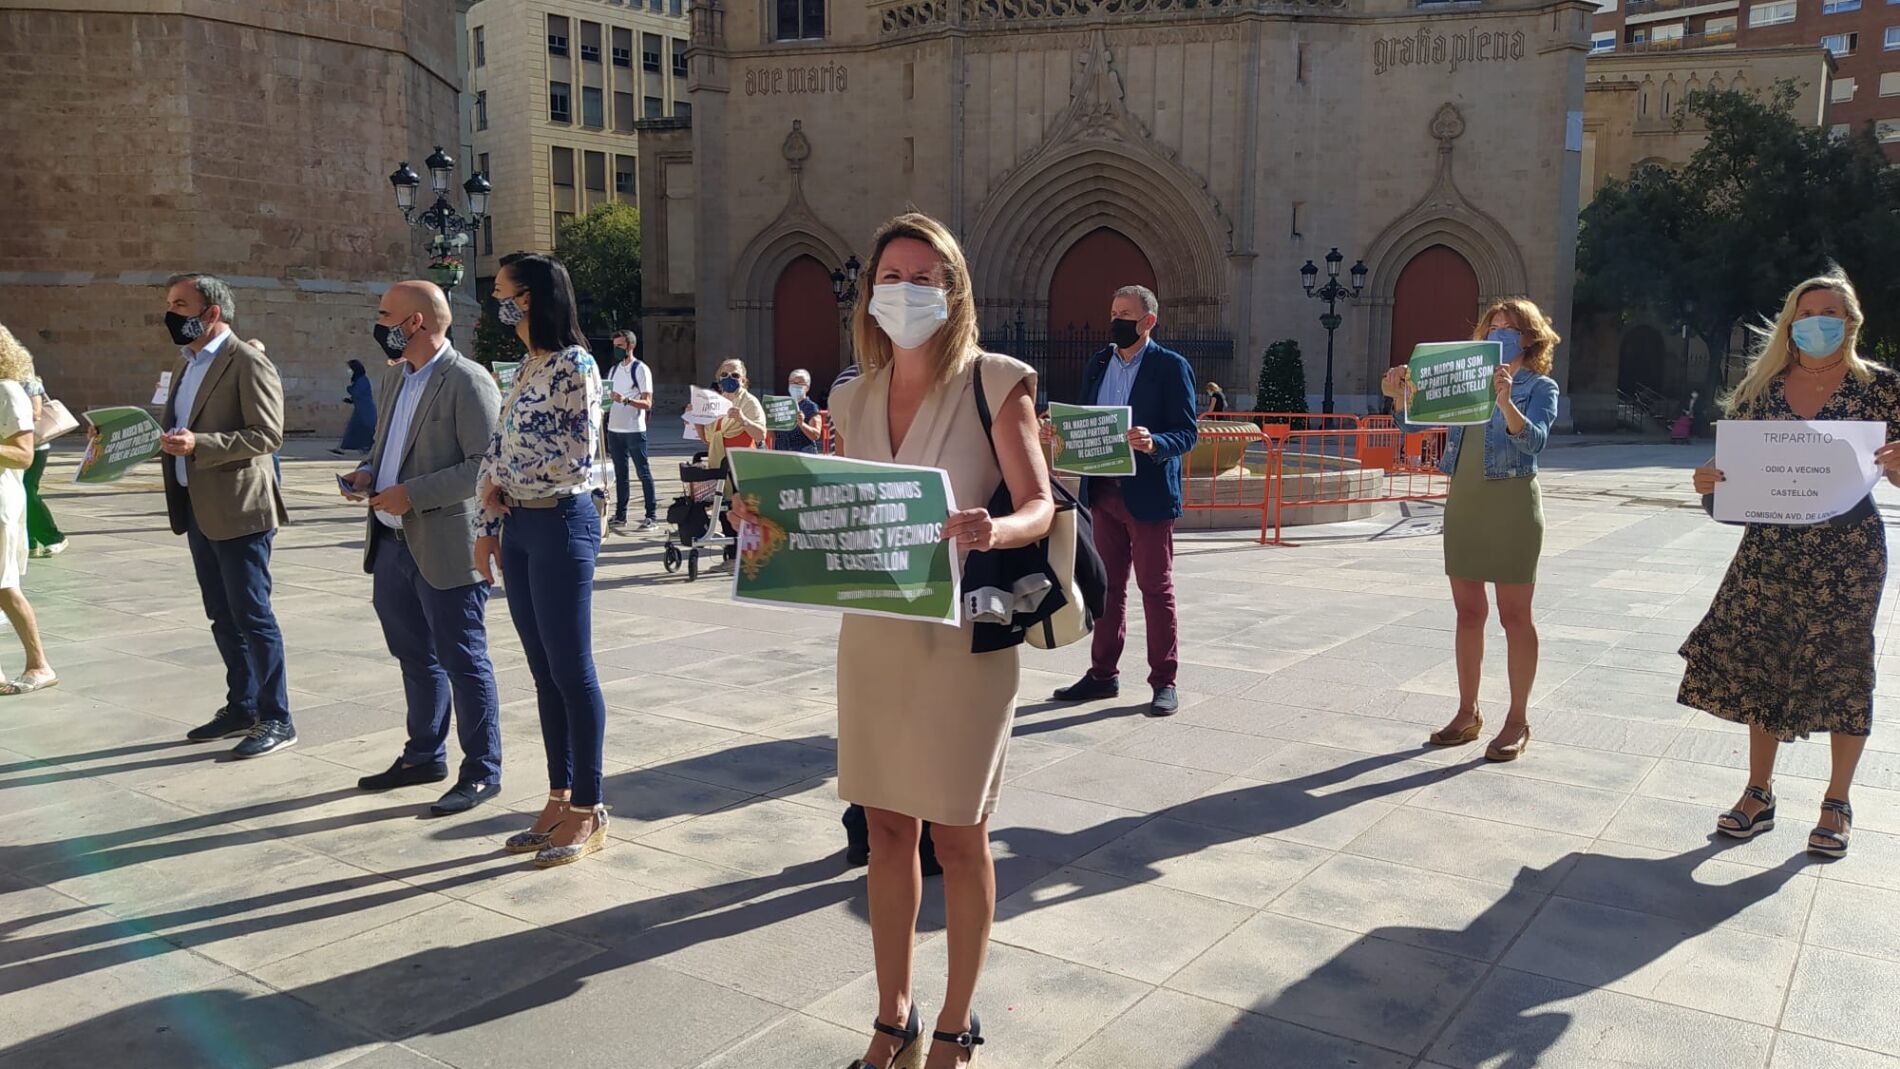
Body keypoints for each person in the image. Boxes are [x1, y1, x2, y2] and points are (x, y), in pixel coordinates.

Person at [751, 212, 1052, 1068]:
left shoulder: (997, 381)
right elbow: (839, 509)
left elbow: (1041, 503)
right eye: (892, 276)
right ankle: (894, 1017)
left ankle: (955, 1022)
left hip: (962, 641)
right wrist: (763, 519)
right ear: (870, 291)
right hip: (875, 636)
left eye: (925, 277)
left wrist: (994, 528)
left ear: (954, 290)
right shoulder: (849, 396)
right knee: (885, 828)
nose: (906, 290)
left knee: (958, 834)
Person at [1684, 273, 1896, 859]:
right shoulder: (1762, 388)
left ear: (1850, 322)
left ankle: (1837, 802)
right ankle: (1759, 792)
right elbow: (1734, 476)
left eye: (1829, 312)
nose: (1816, 322)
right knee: (1764, 661)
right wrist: (1710, 482)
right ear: (1789, 323)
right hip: (1771, 548)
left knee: (1844, 667)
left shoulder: (1883, 389)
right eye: (1805, 313)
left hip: (1848, 552)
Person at [343, 281, 506, 816]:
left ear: (415, 322)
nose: (378, 323)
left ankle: (481, 771)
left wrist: (411, 493)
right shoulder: (396, 378)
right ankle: (423, 755)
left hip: (445, 545)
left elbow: (484, 466)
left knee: (463, 660)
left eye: (385, 314)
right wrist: (366, 473)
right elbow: (383, 447)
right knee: (414, 656)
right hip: (391, 543)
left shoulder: (468, 380)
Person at [1380, 298, 1560, 761]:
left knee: (1515, 616)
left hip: (1513, 505)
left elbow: (1535, 441)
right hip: (1465, 502)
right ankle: (1467, 712)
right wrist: (1399, 394)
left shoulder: (1541, 387)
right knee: (1468, 613)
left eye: (1509, 328)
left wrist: (1505, 400)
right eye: (1492, 326)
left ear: (1529, 338)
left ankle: (1517, 720)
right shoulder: (1466, 382)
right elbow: (1413, 427)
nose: (1499, 334)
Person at [476, 252, 610, 867]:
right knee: (543, 671)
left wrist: (507, 480)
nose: (496, 301)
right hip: (521, 525)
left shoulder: (575, 365)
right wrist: (487, 521)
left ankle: (589, 806)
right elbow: (497, 447)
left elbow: (576, 456)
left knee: (572, 670)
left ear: (528, 297)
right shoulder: (528, 366)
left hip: (560, 521)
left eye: (502, 291)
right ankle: (558, 797)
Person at [159, 273, 296, 757]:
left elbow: (268, 434)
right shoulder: (185, 364)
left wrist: (200, 444)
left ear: (211, 312)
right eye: (170, 304)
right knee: (221, 614)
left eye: (180, 305)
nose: (170, 314)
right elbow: (180, 426)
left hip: (240, 509)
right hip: (197, 506)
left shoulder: (247, 362)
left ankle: (277, 718)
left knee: (252, 615)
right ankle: (242, 705)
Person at [1048, 285, 1199, 716]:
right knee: (1107, 587)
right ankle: (1102, 675)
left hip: (1149, 496)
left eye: (1125, 315)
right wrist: (1059, 435)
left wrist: (1155, 442)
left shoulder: (1171, 367)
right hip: (1103, 494)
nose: (1115, 321)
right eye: (1113, 312)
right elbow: (1085, 420)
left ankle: (1164, 681)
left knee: (1155, 589)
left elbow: (1187, 432)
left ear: (1148, 321)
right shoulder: (1098, 363)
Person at [0, 324, 57, 695]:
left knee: (4, 585)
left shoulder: (8, 391)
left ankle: (39, 664)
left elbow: (23, 454)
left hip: (1, 501)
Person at [605, 329, 658, 532]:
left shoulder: (640, 369)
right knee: (620, 474)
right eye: (615, 346)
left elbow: (648, 402)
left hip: (634, 429)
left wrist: (626, 400)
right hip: (614, 428)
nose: (617, 349)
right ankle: (621, 514)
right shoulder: (613, 370)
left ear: (630, 346)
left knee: (643, 471)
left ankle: (651, 515)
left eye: (620, 345)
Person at [20, 374, 67, 559]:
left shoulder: (28, 381)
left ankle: (53, 537)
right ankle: (30, 542)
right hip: (12, 446)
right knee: (17, 494)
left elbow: (35, 413)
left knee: (28, 491)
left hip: (36, 446)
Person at [773, 368, 824, 453]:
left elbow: (816, 435)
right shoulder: (783, 405)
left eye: (799, 383)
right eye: (792, 382)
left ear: (807, 387)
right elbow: (774, 434)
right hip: (782, 453)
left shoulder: (811, 407)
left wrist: (802, 424)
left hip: (803, 454)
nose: (795, 385)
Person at [333, 359, 375, 456]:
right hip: (360, 409)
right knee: (354, 430)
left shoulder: (362, 380)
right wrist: (350, 400)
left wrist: (349, 389)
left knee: (360, 429)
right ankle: (343, 449)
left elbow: (357, 392)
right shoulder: (360, 379)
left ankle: (344, 449)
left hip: (365, 410)